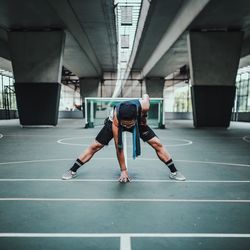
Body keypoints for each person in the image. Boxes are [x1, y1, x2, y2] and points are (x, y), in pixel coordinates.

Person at [62, 94, 186, 182]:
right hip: (114, 124)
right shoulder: (116, 120)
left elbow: (146, 95)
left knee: (157, 144)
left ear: (134, 117)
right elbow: (119, 147)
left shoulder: (144, 106)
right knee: (95, 146)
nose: (127, 126)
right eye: (125, 124)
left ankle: (174, 171)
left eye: (129, 124)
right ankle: (72, 170)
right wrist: (124, 170)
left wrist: (143, 118)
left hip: (138, 122)